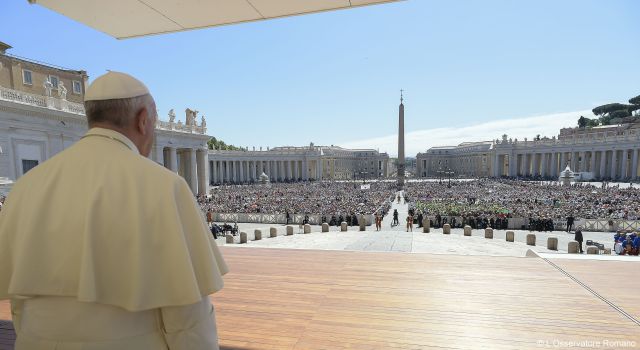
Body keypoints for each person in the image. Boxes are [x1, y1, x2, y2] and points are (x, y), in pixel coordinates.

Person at [0, 71, 228, 349]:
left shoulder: (26, 186)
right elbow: (188, 316)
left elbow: (19, 304)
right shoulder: (165, 186)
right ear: (143, 120)